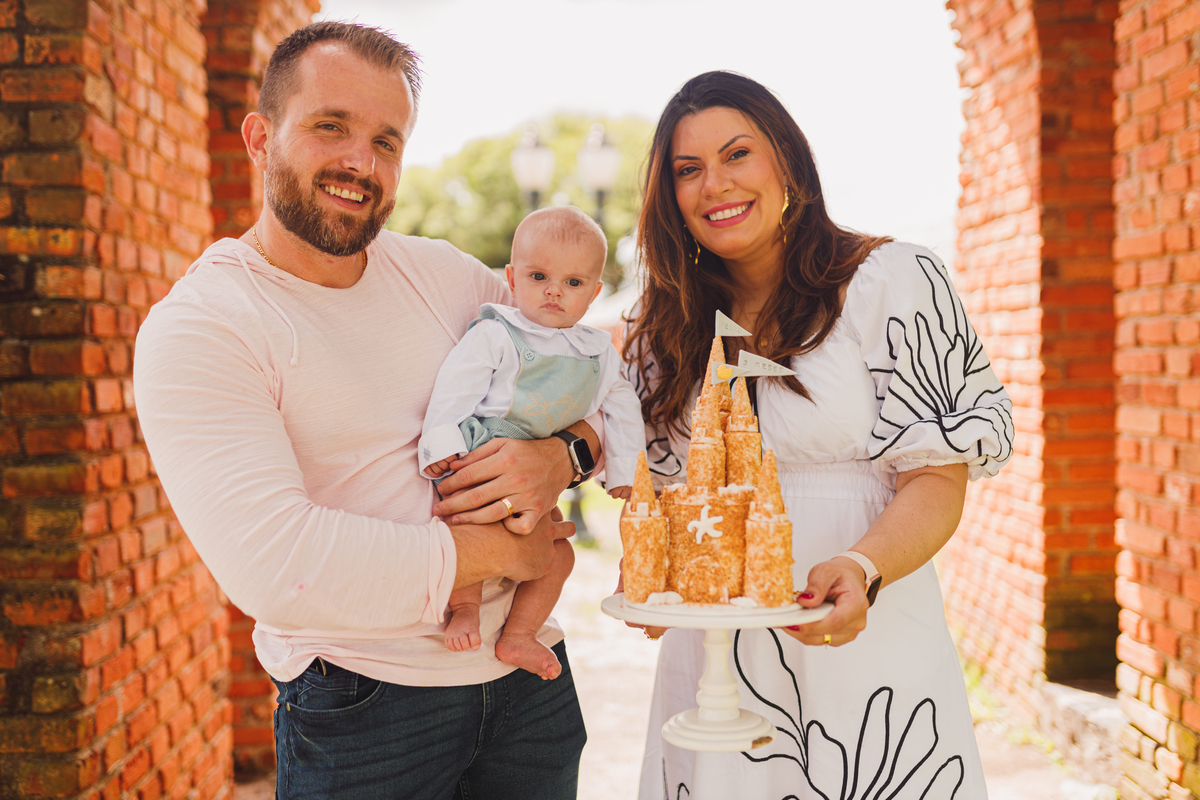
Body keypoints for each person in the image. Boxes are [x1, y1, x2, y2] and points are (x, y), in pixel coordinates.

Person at [133, 21, 593, 800]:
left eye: (386, 141)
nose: (360, 162)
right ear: (259, 136)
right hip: (365, 711)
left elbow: (582, 365)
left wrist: (566, 456)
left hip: (529, 688)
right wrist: (497, 555)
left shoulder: (444, 276)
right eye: (329, 127)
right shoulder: (204, 325)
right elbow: (280, 566)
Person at [621, 71, 1014, 799]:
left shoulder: (891, 280)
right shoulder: (664, 328)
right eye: (688, 169)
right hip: (715, 661)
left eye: (737, 154)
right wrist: (657, 570)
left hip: (864, 624)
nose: (715, 184)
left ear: (788, 163)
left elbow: (936, 476)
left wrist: (862, 567)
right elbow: (653, 489)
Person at [419, 205, 644, 680]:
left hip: (541, 481)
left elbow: (621, 408)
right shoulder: (498, 333)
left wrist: (625, 471)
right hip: (482, 458)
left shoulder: (597, 352)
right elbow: (455, 388)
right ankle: (464, 607)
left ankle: (520, 634)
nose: (554, 291)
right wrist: (440, 444)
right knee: (474, 538)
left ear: (595, 292)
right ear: (512, 277)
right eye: (539, 275)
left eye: (573, 283)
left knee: (558, 556)